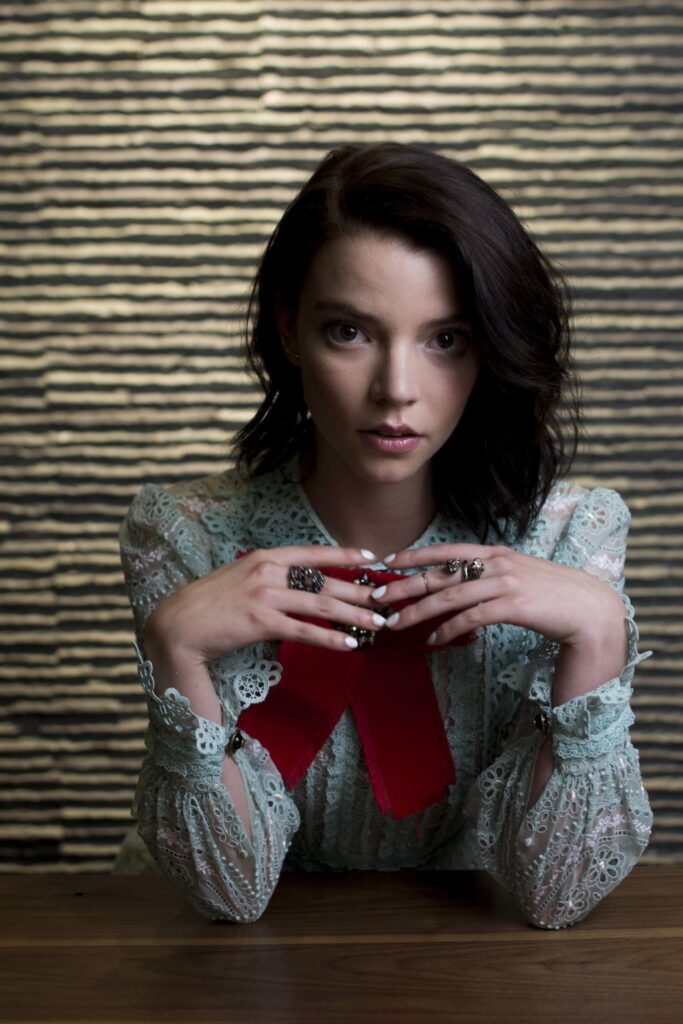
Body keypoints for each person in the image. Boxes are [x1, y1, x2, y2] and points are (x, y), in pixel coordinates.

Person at [113, 142, 653, 928]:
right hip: (225, 968)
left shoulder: (571, 532)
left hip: (460, 951)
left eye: (445, 339)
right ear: (291, 333)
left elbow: (559, 894)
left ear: (489, 348)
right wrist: (176, 650)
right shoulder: (184, 532)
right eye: (349, 332)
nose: (396, 389)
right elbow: (226, 894)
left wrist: (600, 638)